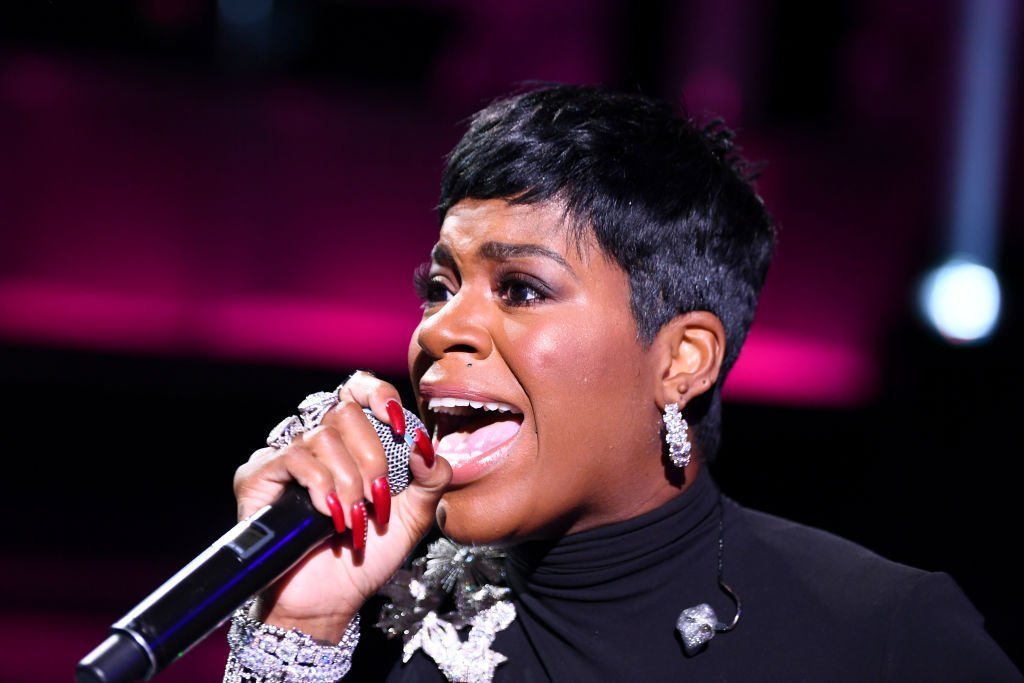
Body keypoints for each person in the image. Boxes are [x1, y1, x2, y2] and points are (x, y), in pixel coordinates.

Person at [222, 84, 1022, 682]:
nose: (437, 331)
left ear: (682, 361)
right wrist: (302, 618)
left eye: (520, 289)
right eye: (439, 287)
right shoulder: (382, 625)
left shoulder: (884, 636)